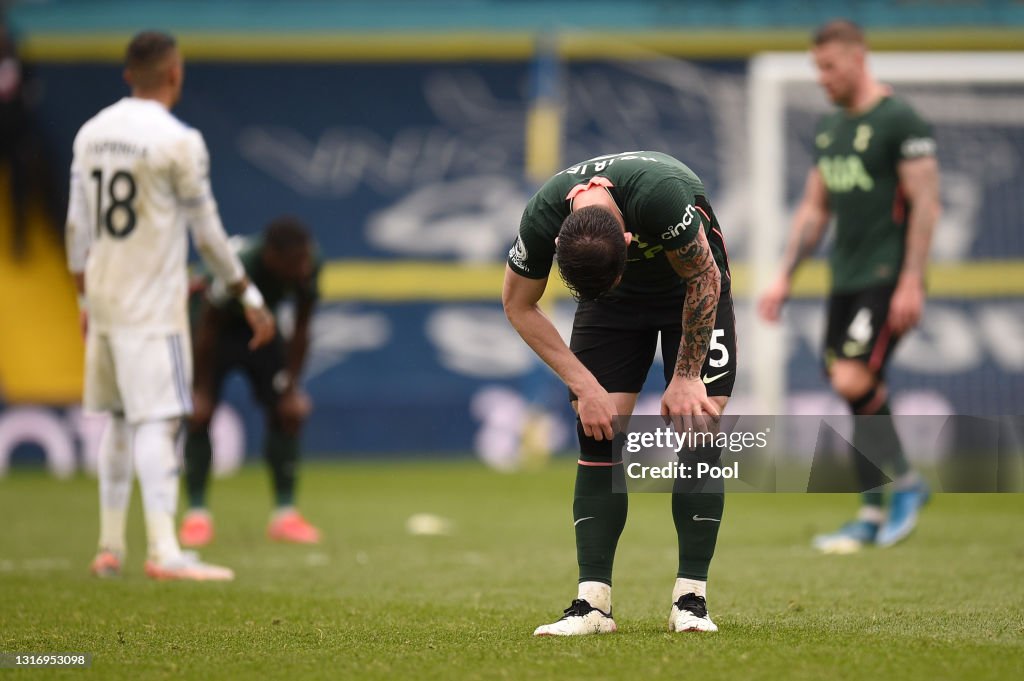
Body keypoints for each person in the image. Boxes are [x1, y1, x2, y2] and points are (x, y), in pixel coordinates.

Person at [66, 31, 275, 581]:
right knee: (158, 422)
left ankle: (110, 546)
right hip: (152, 306)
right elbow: (207, 235)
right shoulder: (179, 141)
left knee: (116, 420)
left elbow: (75, 228)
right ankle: (165, 550)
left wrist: (85, 298)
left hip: (104, 301)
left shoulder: (91, 134)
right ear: (175, 74)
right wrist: (248, 294)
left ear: (127, 74)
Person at [503, 150, 736, 635]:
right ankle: (593, 606)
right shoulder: (542, 217)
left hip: (691, 288)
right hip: (611, 304)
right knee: (598, 431)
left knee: (698, 424)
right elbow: (518, 303)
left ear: (629, 241)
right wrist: (584, 385)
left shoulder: (660, 195)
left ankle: (690, 601)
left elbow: (705, 276)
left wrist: (688, 375)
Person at [757, 19, 941, 553]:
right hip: (846, 277)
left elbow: (927, 203)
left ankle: (905, 483)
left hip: (887, 276)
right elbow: (815, 209)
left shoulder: (899, 120)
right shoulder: (830, 129)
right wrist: (784, 277)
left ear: (858, 59)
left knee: (853, 378)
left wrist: (911, 281)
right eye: (817, 68)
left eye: (829, 66)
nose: (822, 77)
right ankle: (869, 512)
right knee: (855, 389)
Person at [179, 216, 322, 547]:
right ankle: (197, 516)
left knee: (287, 413)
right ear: (272, 258)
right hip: (212, 333)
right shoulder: (241, 265)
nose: (303, 269)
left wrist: (292, 386)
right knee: (201, 413)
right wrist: (200, 390)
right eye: (294, 262)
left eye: (305, 260)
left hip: (263, 328)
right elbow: (209, 324)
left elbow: (302, 326)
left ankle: (285, 515)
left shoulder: (310, 263)